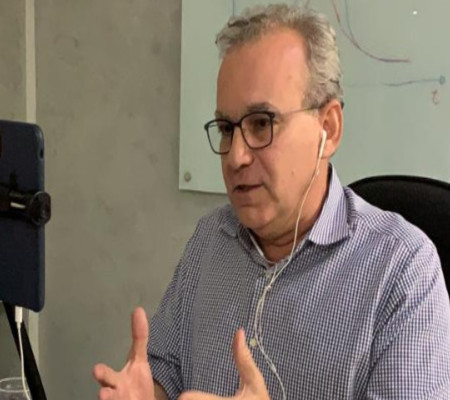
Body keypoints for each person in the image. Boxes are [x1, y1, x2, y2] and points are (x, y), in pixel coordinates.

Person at [93, 4, 450, 399]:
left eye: (262, 123)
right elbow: (165, 370)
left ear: (328, 129)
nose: (236, 156)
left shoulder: (402, 270)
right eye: (226, 128)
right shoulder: (211, 238)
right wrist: (150, 393)